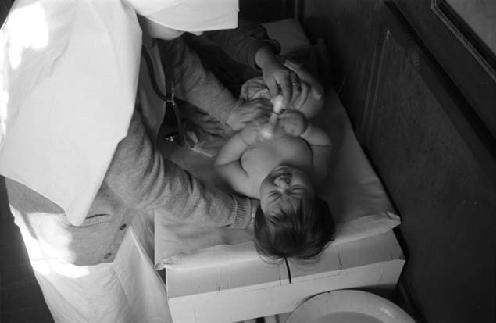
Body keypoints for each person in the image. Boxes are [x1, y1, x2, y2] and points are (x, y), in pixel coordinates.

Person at [0, 0, 300, 321]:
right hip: (79, 226)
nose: (199, 30)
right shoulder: (86, 64)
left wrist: (230, 110)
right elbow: (145, 184)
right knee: (109, 309)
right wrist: (244, 214)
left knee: (147, 299)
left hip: (118, 203)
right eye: (188, 20)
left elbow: (176, 60)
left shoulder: (130, 18)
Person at [214, 106, 335, 260]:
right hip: (289, 107)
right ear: (313, 193)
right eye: (295, 190)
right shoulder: (316, 174)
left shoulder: (248, 185)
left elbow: (222, 164)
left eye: (274, 195)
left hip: (247, 111)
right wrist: (306, 130)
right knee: (315, 100)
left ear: (261, 210)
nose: (282, 183)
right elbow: (323, 144)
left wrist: (243, 139)